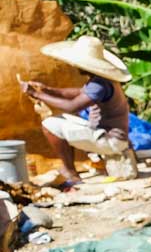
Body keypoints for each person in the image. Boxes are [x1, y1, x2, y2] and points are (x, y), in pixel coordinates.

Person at [22, 35, 135, 188]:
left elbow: (72, 106)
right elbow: (75, 93)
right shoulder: (100, 81)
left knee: (50, 124)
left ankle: (71, 173)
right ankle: (71, 170)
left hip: (111, 141)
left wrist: (36, 94)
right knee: (61, 119)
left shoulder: (99, 84)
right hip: (110, 137)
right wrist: (46, 89)